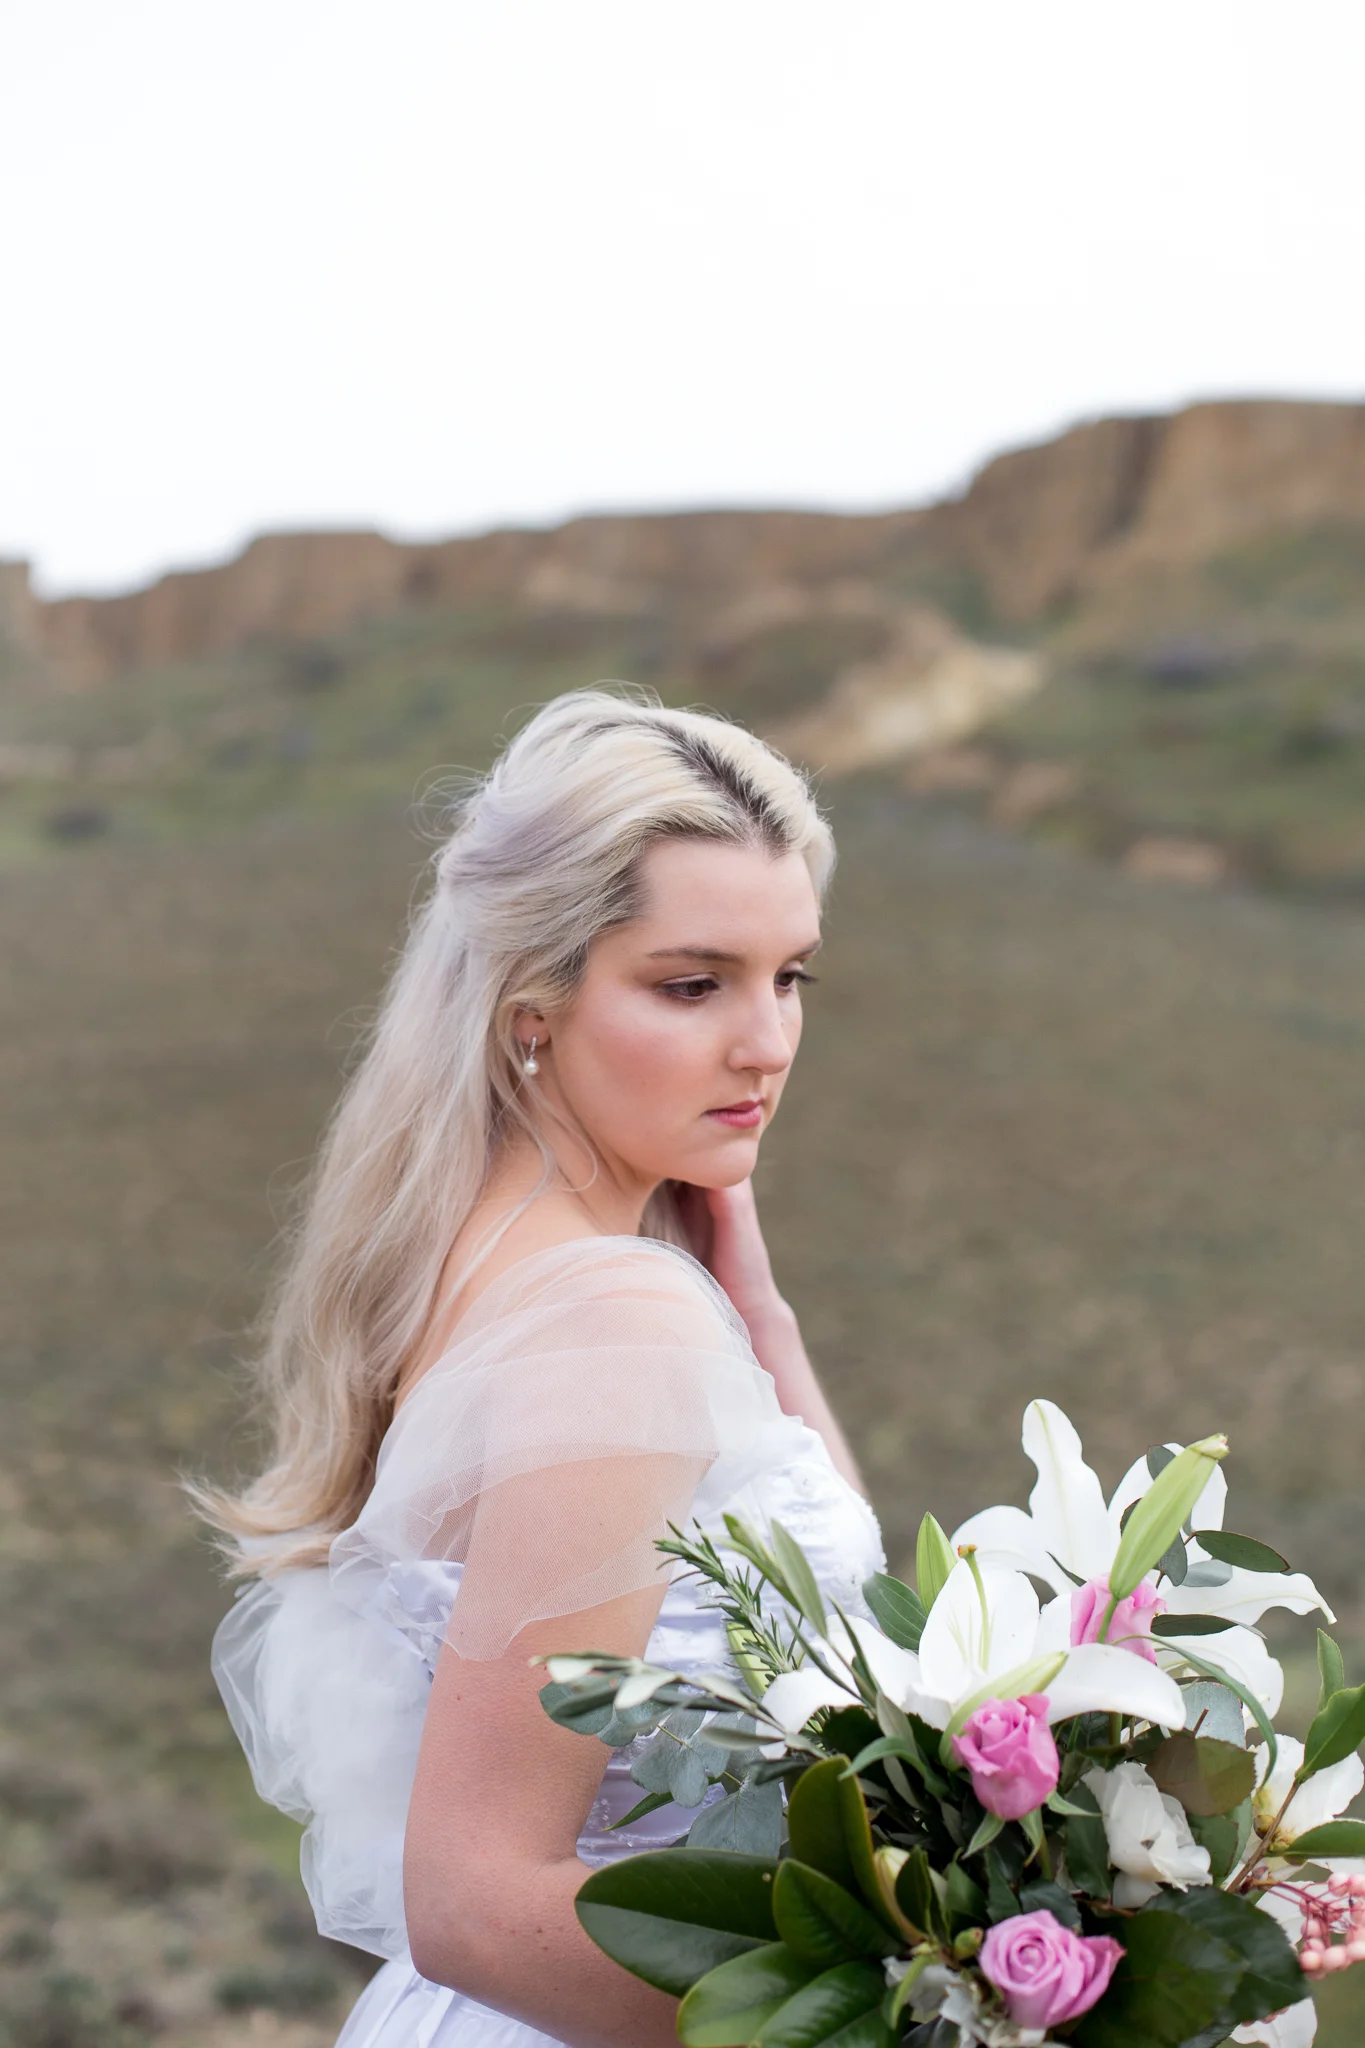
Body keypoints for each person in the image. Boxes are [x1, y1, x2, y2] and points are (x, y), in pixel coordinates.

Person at [195, 686, 887, 2048]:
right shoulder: (611, 1323)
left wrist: (765, 1316)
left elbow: (854, 1645)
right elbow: (475, 1900)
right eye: (692, 985)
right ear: (533, 1009)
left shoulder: (475, 1264)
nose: (767, 1042)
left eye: (788, 974)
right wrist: (897, 2016)